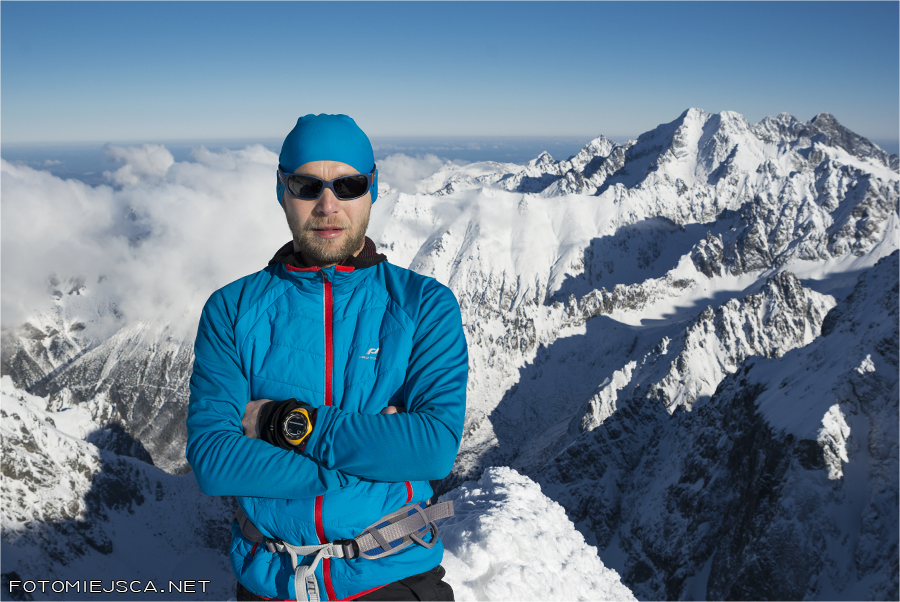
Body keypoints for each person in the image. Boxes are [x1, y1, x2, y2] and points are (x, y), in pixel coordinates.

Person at [186, 114, 468, 601]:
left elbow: (433, 449)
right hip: (271, 581)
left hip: (393, 576)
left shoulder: (424, 306)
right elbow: (213, 461)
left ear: (372, 189)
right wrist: (371, 458)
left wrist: (281, 423)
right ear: (282, 190)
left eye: (348, 185)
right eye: (306, 185)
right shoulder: (231, 310)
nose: (328, 204)